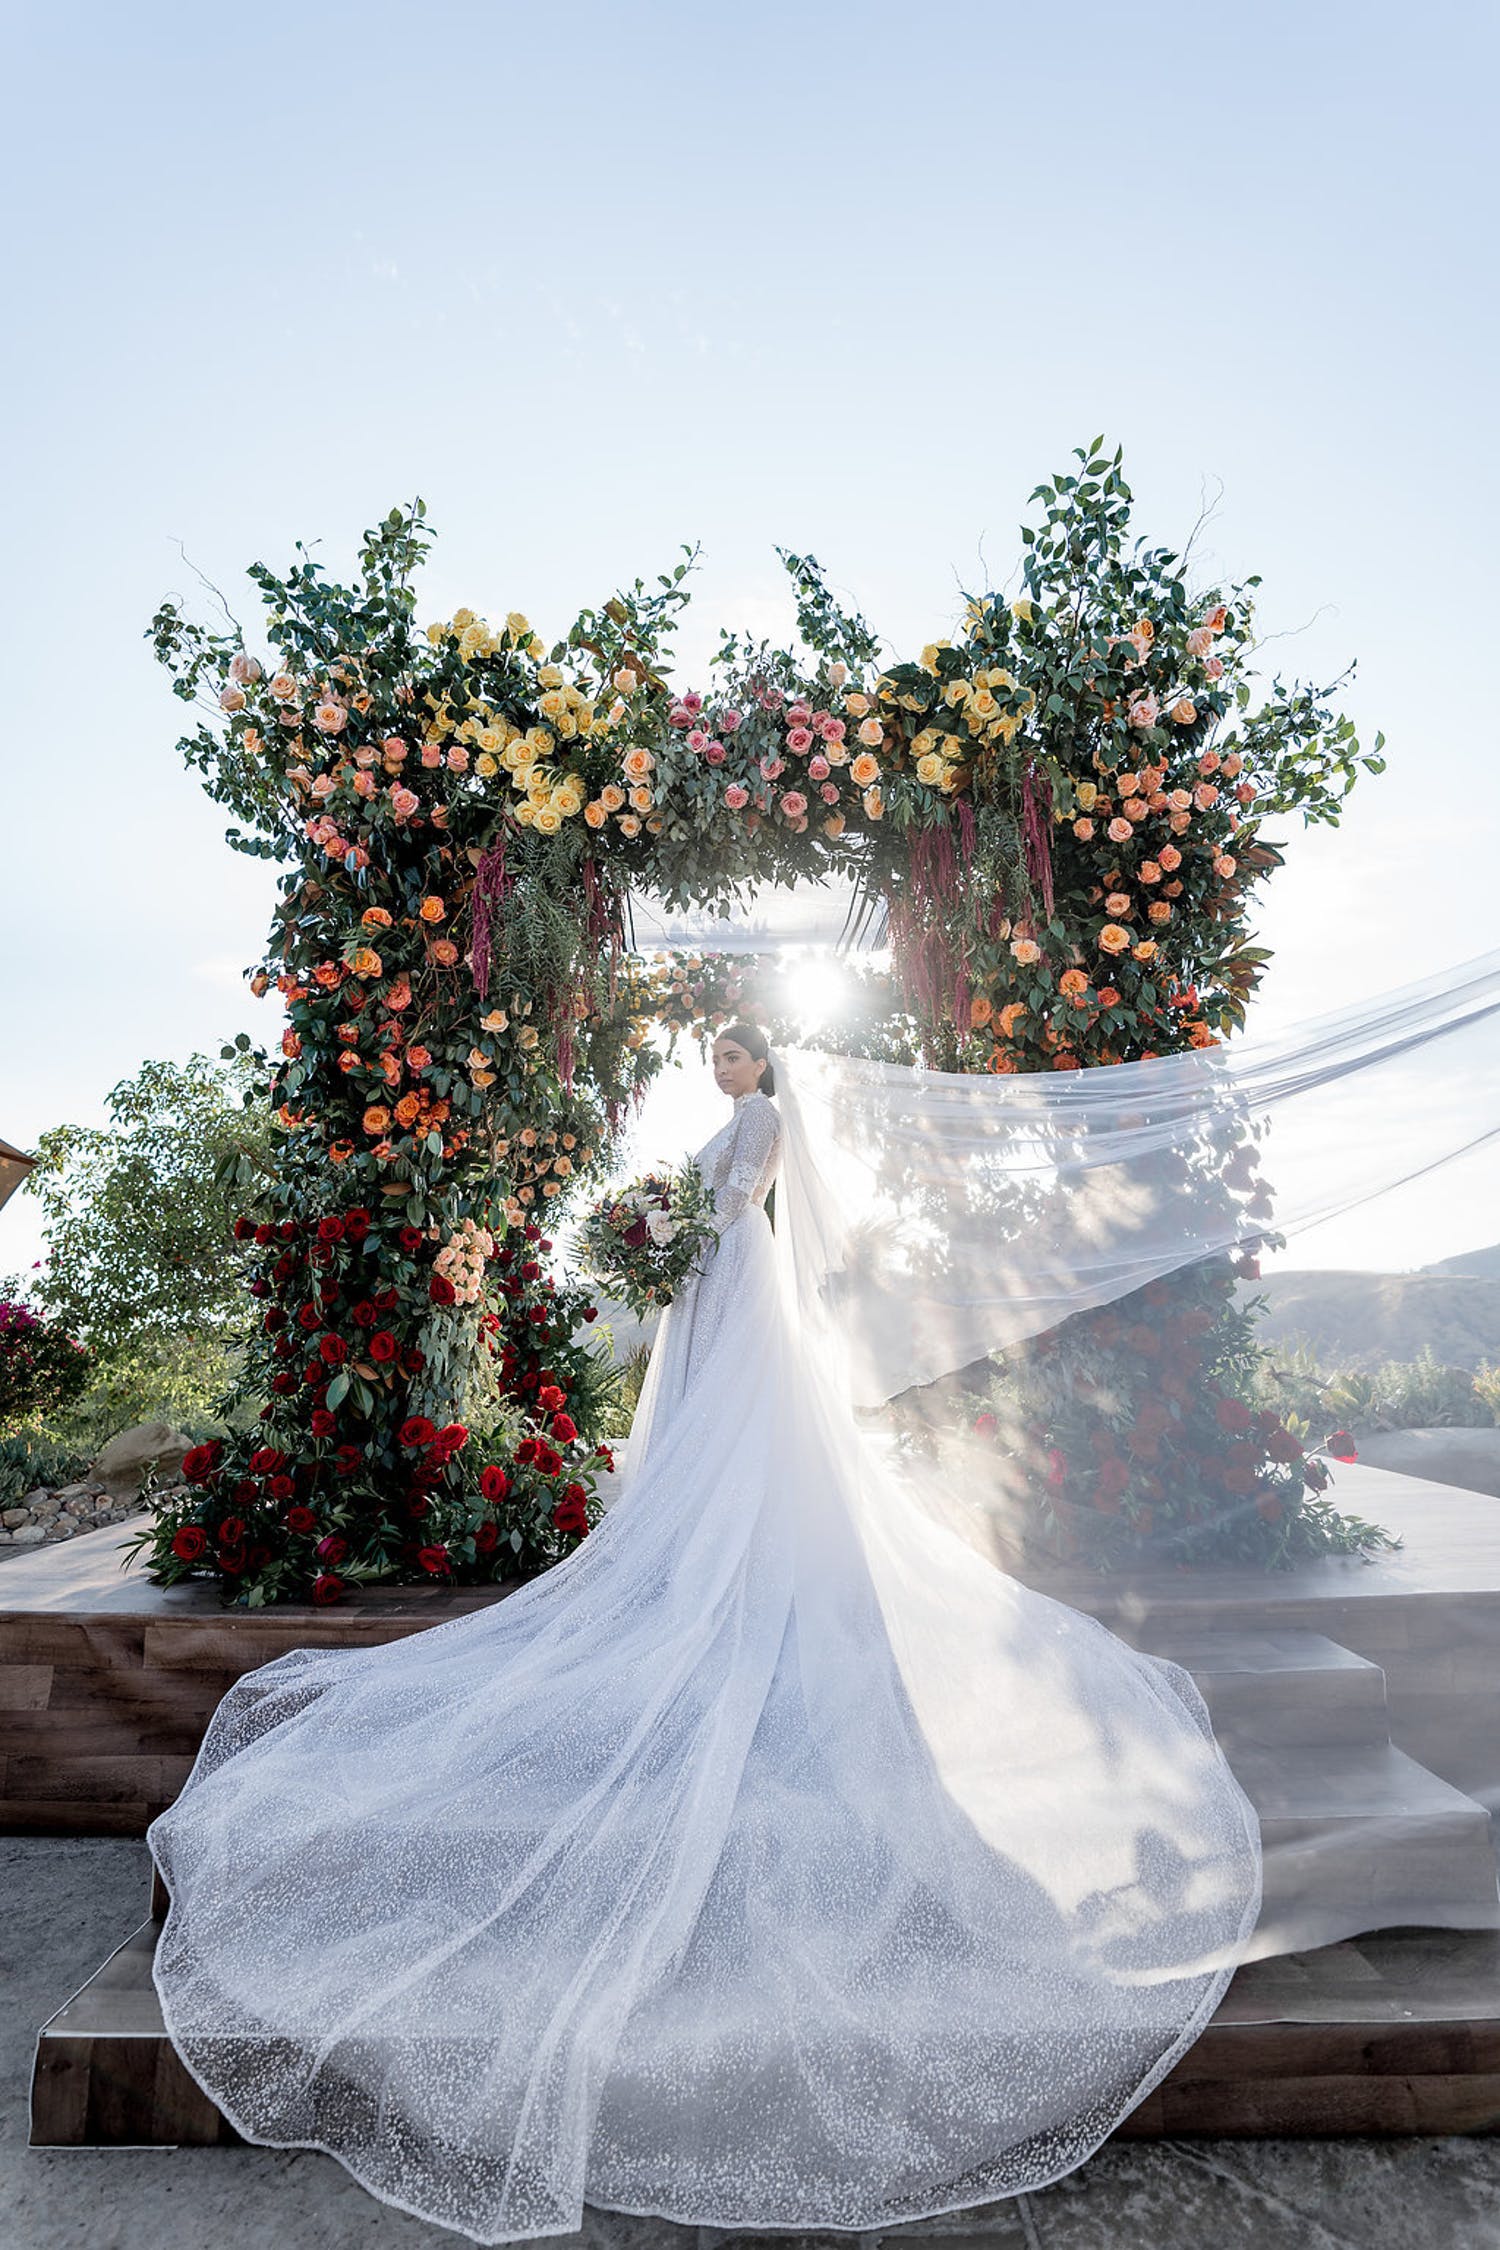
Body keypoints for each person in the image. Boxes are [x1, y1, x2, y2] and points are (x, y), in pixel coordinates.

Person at [147, 1026, 1262, 2246]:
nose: (721, 1069)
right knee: (694, 1445)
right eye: (719, 1059)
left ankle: (733, 1558)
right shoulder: (731, 1130)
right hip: (716, 1281)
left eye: (732, 1056)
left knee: (741, 1445)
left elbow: (739, 1206)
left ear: (758, 1066)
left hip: (741, 1282)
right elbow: (707, 1207)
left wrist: (672, 1231)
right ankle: (696, 1552)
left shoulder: (762, 1129)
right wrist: (662, 1235)